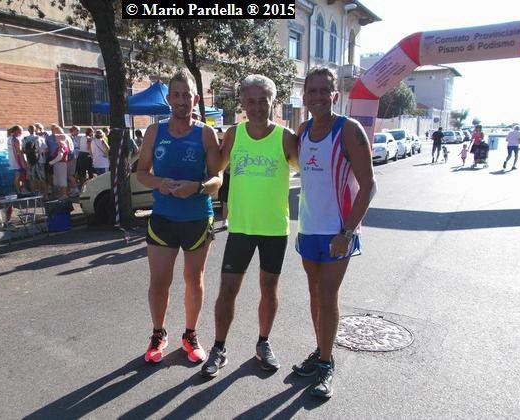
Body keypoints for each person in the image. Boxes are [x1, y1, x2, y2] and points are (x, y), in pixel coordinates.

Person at [201, 75, 299, 378]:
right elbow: (216, 168)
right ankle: (219, 347)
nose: (256, 107)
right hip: (241, 228)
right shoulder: (234, 134)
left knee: (269, 289)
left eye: (262, 101)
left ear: (273, 102)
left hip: (274, 229)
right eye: (250, 101)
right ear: (242, 103)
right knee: (227, 290)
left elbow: (311, 169)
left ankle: (263, 343)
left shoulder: (285, 137)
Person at [290, 67, 375, 399]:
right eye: (312, 91)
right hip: (308, 229)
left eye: (324, 90)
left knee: (328, 296)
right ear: (304, 97)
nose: (318, 96)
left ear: (335, 95)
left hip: (337, 232)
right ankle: (320, 350)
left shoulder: (349, 130)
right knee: (315, 295)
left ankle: (326, 364)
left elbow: (368, 185)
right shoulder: (303, 131)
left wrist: (347, 232)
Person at [136, 69, 222, 364]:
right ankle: (158, 333)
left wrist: (196, 187)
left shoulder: (205, 133)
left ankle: (190, 334)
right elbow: (141, 172)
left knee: (193, 279)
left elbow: (217, 179)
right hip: (163, 218)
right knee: (159, 281)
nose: (182, 100)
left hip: (197, 217)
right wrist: (159, 183)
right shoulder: (154, 132)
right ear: (169, 99)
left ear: (195, 99)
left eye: (187, 95)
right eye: (176, 95)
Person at [23, 125, 48, 198]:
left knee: (32, 179)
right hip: (40, 160)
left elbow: (23, 150)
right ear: (35, 130)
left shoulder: (25, 139)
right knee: (42, 178)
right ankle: (45, 195)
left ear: (28, 131)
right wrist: (40, 152)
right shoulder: (40, 138)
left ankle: (34, 196)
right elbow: (46, 149)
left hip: (30, 161)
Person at [48, 127, 70, 200]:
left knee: (62, 180)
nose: (55, 139)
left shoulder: (61, 145)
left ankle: (64, 195)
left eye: (57, 137)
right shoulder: (63, 145)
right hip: (60, 164)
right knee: (59, 180)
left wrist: (51, 162)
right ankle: (61, 194)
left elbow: (60, 157)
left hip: (60, 164)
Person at [7, 125, 27, 193]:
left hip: (12, 160)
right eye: (21, 130)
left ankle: (18, 191)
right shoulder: (16, 140)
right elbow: (19, 152)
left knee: (17, 176)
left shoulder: (9, 138)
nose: (22, 132)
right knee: (20, 176)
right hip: (17, 160)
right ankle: (21, 190)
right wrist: (24, 163)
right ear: (17, 131)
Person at [67, 126, 80, 196]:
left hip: (75, 158)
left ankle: (75, 189)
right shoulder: (69, 138)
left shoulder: (76, 138)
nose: (78, 132)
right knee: (69, 174)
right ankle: (73, 189)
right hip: (71, 158)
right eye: (77, 130)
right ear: (73, 130)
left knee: (70, 174)